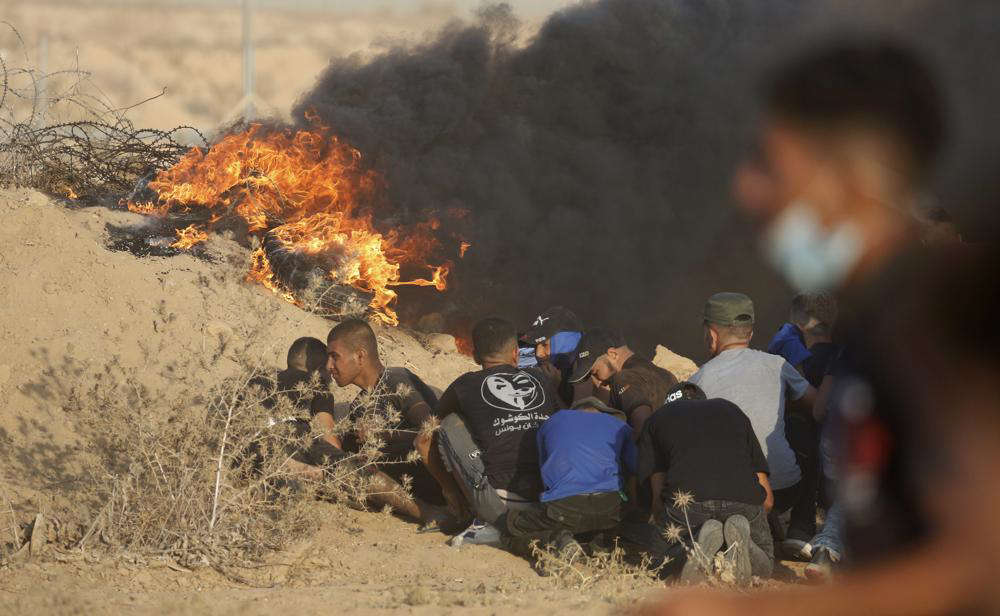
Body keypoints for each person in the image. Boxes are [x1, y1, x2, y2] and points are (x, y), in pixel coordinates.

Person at [638, 38, 1000, 616]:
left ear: (850, 176)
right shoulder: (880, 316)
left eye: (767, 163)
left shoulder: (951, 316)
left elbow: (982, 566)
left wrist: (744, 610)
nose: (747, 187)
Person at [688, 293, 817, 548]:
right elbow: (818, 404)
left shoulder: (697, 380)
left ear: (711, 335)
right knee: (802, 425)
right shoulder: (777, 364)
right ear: (750, 333)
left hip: (729, 495)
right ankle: (801, 529)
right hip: (784, 490)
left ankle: (732, 530)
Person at [432, 316, 560, 545]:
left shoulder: (465, 385)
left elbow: (429, 426)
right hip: (551, 496)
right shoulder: (541, 379)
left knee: (449, 423)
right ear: (516, 353)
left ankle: (470, 512)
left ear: (475, 355)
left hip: (501, 503)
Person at [638, 381, 775, 584]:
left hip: (689, 504)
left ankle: (695, 548)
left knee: (657, 564)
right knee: (766, 564)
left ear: (668, 404)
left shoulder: (657, 419)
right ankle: (741, 546)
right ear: (704, 399)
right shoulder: (732, 410)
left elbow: (658, 500)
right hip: (743, 500)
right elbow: (768, 501)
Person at [325, 319, 452, 527]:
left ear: (360, 355)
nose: (329, 366)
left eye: (334, 357)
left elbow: (435, 431)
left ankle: (430, 513)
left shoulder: (396, 380)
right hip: (401, 486)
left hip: (436, 482)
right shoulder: (358, 406)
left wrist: (383, 435)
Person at [499, 396, 634, 562]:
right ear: (602, 411)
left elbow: (545, 475)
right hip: (611, 507)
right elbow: (633, 469)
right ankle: (596, 546)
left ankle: (556, 542)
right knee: (604, 529)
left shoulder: (552, 422)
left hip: (563, 507)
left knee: (510, 528)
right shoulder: (620, 425)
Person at [569, 327, 677, 436]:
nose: (596, 382)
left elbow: (642, 426)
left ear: (613, 354)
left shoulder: (623, 378)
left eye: (595, 372)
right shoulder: (666, 375)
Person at [521, 306, 586, 404]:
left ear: (566, 342)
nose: (538, 354)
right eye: (535, 346)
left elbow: (577, 417)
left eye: (545, 345)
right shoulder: (526, 361)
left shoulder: (587, 373)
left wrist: (553, 388)